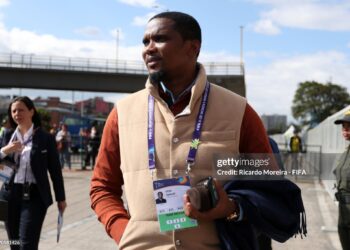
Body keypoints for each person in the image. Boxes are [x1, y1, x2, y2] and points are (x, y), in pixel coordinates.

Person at [90, 11, 280, 249]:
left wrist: (231, 207)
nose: (148, 48)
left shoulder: (239, 111)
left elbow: (270, 189)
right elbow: (102, 187)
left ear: (193, 48)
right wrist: (123, 232)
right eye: (145, 41)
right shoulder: (122, 113)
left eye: (159, 39)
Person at [0, 96, 66, 250]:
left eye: (21, 110)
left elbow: (55, 170)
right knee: (14, 243)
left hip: (35, 196)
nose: (17, 114)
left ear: (31, 111)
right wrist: (5, 150)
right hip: (9, 195)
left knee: (27, 245)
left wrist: (60, 198)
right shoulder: (7, 135)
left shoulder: (45, 138)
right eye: (14, 111)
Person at [334, 110, 350, 249]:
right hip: (344, 211)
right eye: (344, 127)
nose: (345, 130)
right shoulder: (346, 152)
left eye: (349, 127)